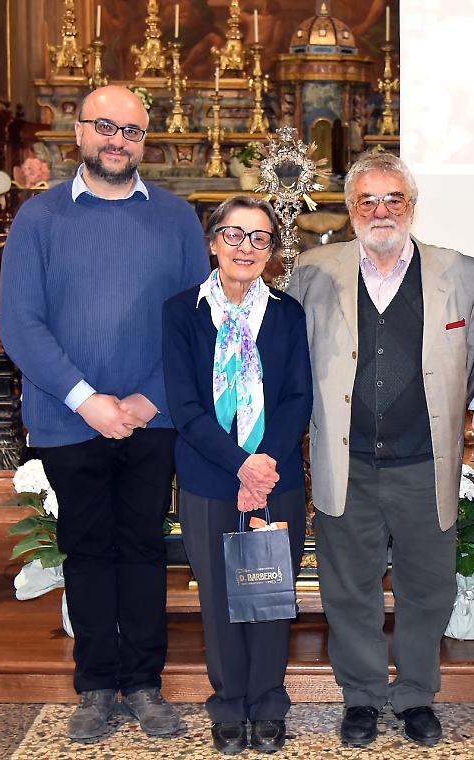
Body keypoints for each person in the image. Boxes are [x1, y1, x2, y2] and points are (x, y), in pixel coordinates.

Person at [0, 85, 210, 742]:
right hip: (69, 420)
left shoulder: (175, 218)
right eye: (107, 128)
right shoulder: (39, 219)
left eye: (133, 131)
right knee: (86, 550)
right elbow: (22, 325)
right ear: (80, 132)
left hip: (154, 417)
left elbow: (196, 317)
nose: (119, 141)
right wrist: (86, 399)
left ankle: (144, 683)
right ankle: (94, 686)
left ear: (146, 141)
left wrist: (148, 397)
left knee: (145, 549)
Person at [284, 151, 474, 748]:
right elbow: (297, 359)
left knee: (428, 587)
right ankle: (363, 697)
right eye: (367, 200)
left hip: (425, 464)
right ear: (350, 210)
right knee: (347, 589)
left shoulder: (460, 272)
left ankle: (417, 695)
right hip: (346, 464)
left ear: (411, 206)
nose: (381, 211)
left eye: (393, 199)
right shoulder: (313, 271)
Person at [162, 196, 312, 755]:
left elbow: (299, 395)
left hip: (277, 480)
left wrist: (264, 465)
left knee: (272, 595)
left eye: (260, 238)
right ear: (213, 241)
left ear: (271, 250)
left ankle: (269, 703)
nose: (246, 247)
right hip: (208, 478)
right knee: (220, 600)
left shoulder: (288, 314)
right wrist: (239, 465)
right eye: (235, 234)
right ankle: (228, 706)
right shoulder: (181, 312)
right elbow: (185, 405)